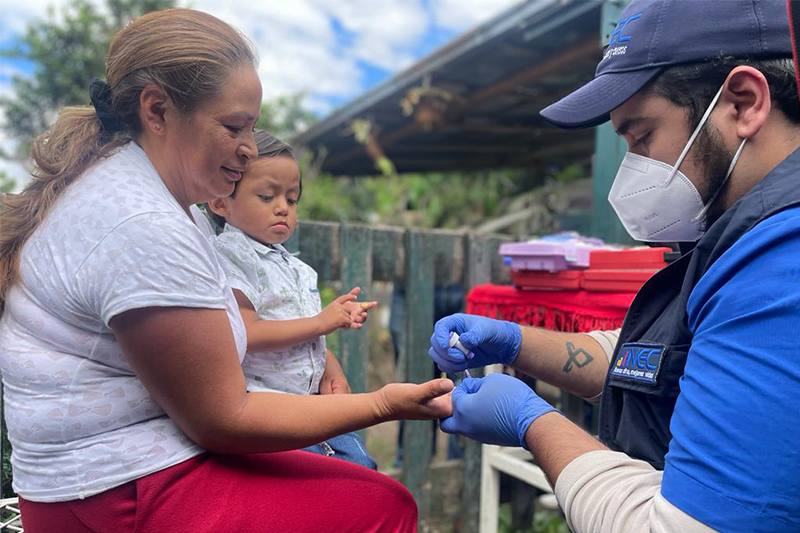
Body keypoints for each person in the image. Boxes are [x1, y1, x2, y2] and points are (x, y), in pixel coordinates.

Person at [0, 9, 453, 533]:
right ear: (157, 110)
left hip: (90, 478)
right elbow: (224, 418)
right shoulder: (141, 220)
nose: (250, 148)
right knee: (382, 505)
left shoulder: (138, 192)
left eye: (253, 127)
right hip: (116, 487)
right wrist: (381, 404)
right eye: (234, 126)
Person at [429, 1, 800, 532]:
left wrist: (534, 423)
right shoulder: (735, 227)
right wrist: (516, 343)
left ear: (744, 103)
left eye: (642, 136)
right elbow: (673, 361)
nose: (633, 168)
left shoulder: (783, 261)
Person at [207, 129, 378, 469]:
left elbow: (301, 330)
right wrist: (321, 322)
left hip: (308, 405)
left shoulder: (294, 266)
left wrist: (330, 367)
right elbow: (247, 333)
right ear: (220, 201)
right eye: (267, 197)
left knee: (360, 466)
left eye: (292, 198)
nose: (283, 208)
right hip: (266, 412)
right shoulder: (234, 256)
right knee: (338, 478)